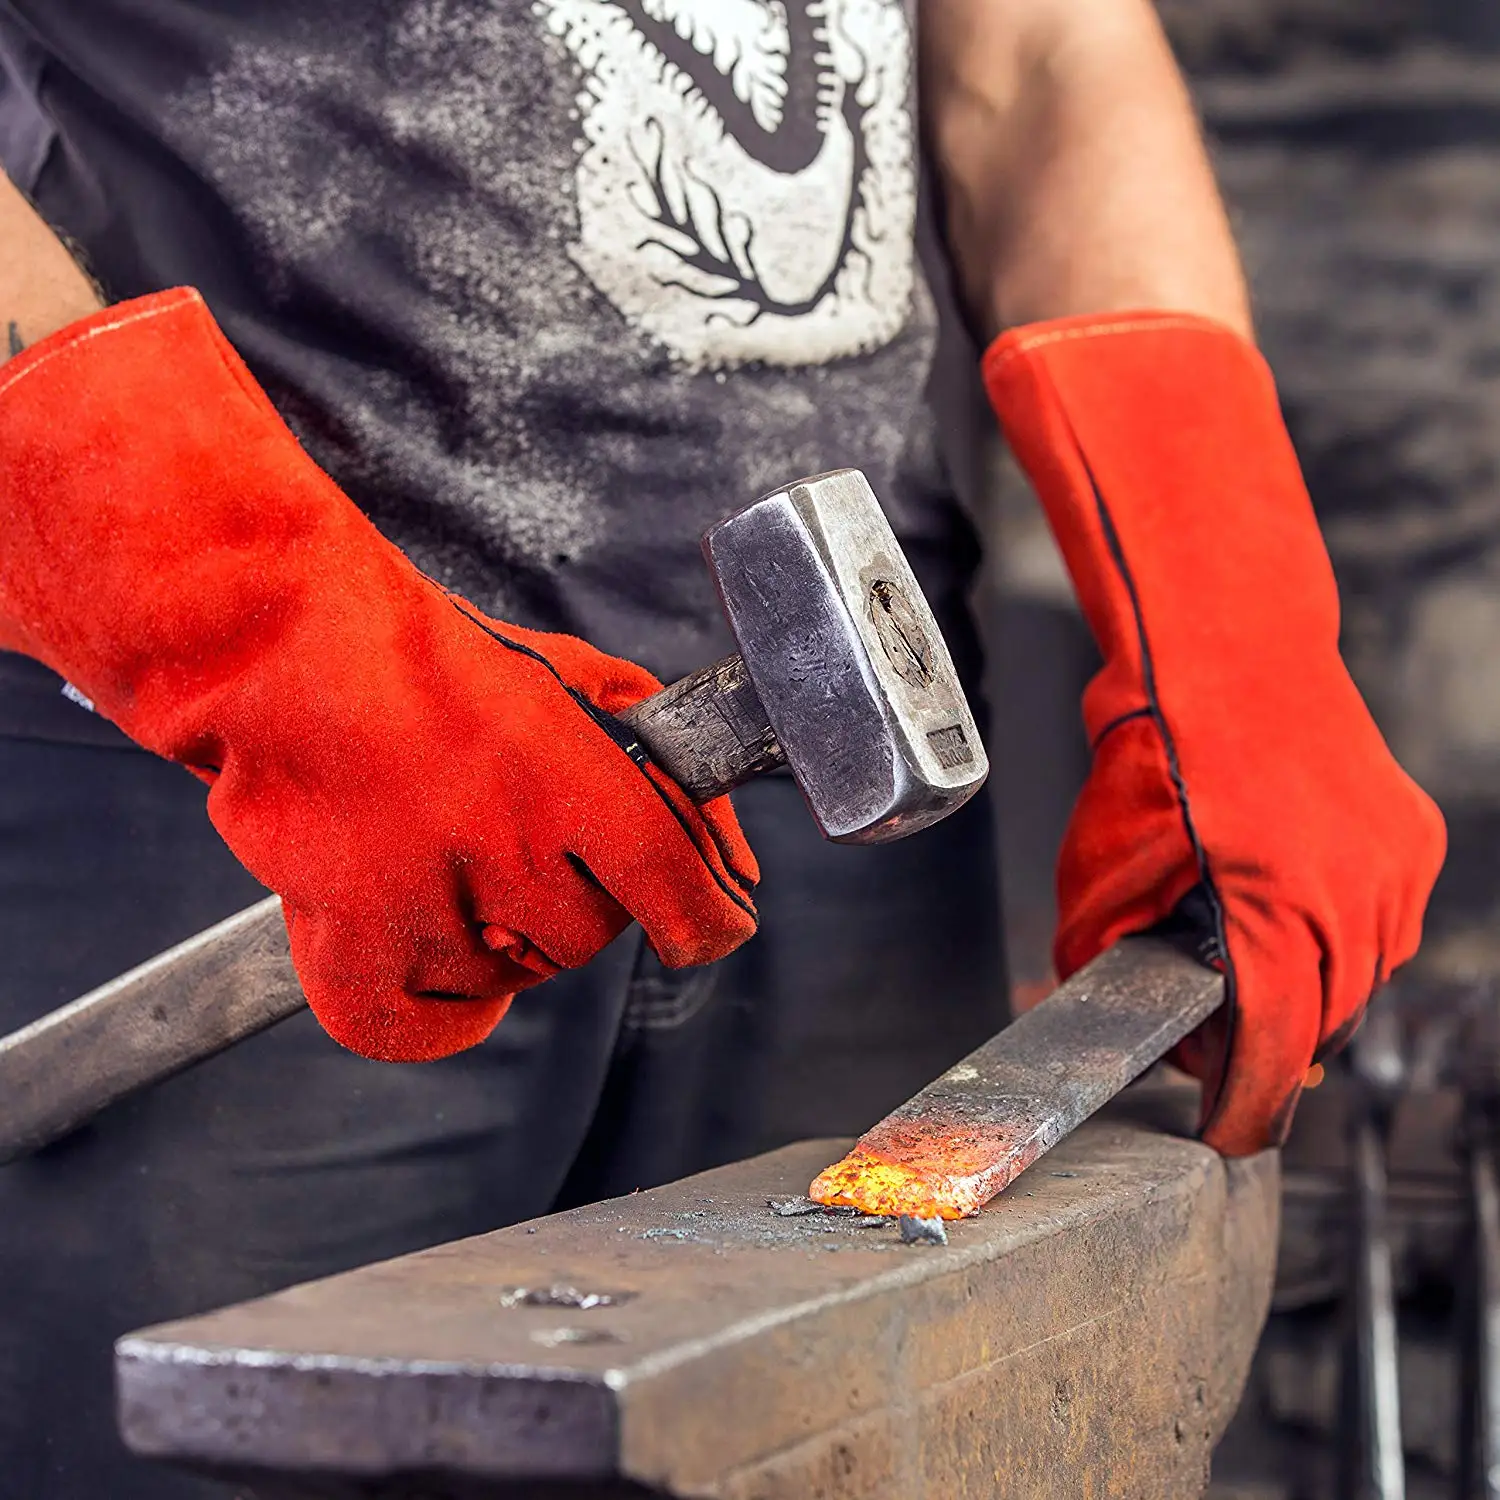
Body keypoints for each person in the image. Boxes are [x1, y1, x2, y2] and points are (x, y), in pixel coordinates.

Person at [0, 1, 1445, 1494]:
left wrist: (1223, 604)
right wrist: (244, 622)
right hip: (243, 803)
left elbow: (1039, 47)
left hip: (845, 842)